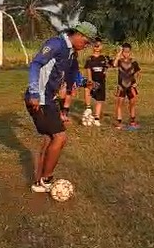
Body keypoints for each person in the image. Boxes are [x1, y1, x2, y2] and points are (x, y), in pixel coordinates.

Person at [25, 21, 97, 193]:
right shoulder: (56, 44)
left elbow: (73, 74)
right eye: (86, 42)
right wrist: (34, 93)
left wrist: (85, 82)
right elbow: (35, 64)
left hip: (50, 99)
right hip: (40, 99)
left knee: (49, 139)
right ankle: (47, 179)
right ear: (78, 34)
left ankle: (38, 182)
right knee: (60, 137)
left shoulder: (72, 54)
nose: (86, 45)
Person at [113, 43, 141, 130]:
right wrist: (118, 55)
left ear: (130, 52)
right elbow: (114, 64)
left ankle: (132, 121)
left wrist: (137, 83)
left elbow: (139, 73)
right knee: (119, 104)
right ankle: (119, 122)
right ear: (122, 52)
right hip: (121, 87)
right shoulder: (120, 62)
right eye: (124, 52)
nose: (126, 53)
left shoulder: (134, 62)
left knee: (132, 103)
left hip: (131, 86)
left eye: (128, 52)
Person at [83, 38, 110, 126]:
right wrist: (90, 79)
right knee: (87, 90)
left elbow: (110, 65)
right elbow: (88, 68)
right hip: (93, 80)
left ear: (101, 46)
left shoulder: (105, 58)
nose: (97, 47)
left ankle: (96, 118)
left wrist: (119, 54)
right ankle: (88, 108)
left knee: (100, 100)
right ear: (93, 47)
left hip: (101, 81)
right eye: (95, 45)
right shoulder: (90, 58)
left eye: (99, 45)